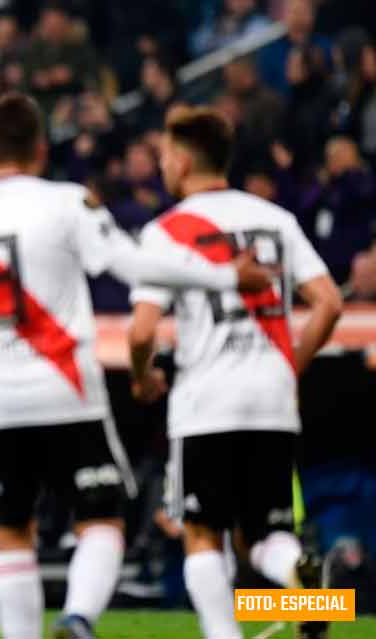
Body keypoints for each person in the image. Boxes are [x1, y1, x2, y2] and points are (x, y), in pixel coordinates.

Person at [0, 93, 274, 639]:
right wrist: (227, 278)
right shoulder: (71, 202)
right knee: (109, 520)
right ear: (40, 147)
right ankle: (83, 615)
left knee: (13, 533)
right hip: (86, 390)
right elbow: (135, 269)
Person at [128, 105, 342, 639]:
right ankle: (300, 574)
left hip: (206, 399)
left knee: (202, 533)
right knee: (268, 533)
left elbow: (139, 331)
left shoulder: (166, 231)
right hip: (272, 399)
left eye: (162, 157)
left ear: (180, 159)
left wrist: (142, 376)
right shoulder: (275, 218)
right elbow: (330, 303)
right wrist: (288, 365)